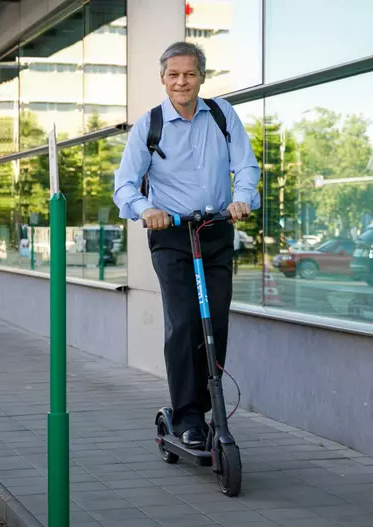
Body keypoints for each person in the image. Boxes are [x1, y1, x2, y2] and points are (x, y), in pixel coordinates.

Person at [113, 42, 260, 447]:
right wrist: (146, 209)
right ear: (163, 78)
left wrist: (243, 197)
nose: (182, 81)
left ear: (201, 77)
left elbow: (245, 164)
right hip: (173, 234)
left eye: (190, 74)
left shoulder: (221, 114)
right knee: (183, 323)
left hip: (215, 229)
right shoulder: (149, 125)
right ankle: (187, 416)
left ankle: (206, 405)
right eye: (174, 75)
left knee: (216, 322)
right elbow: (124, 184)